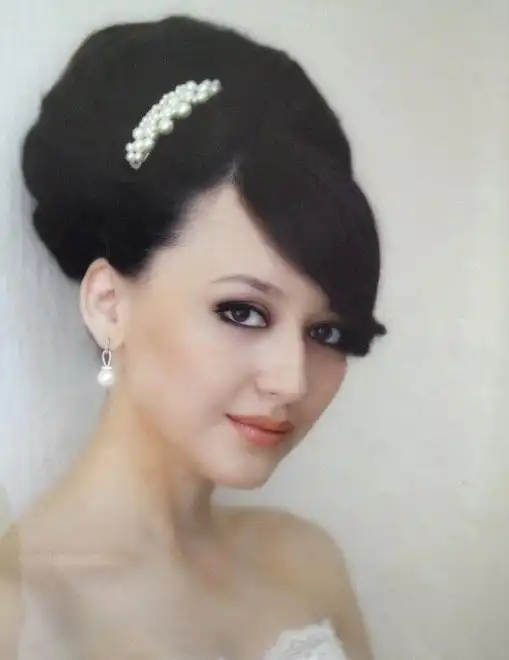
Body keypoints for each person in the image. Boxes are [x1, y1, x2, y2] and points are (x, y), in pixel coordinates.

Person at [0, 14, 386, 660]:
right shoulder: (20, 616)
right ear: (108, 304)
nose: (291, 380)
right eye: (243, 312)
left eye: (327, 330)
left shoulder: (306, 562)